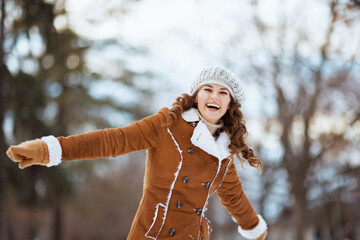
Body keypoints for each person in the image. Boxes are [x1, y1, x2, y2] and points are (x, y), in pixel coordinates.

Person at [6, 66, 268, 240]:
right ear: (197, 95)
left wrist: (254, 229)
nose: (215, 96)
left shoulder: (223, 153)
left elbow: (235, 197)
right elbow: (112, 140)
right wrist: (49, 149)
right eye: (208, 89)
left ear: (230, 104)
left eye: (223, 92)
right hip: (152, 233)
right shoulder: (166, 125)